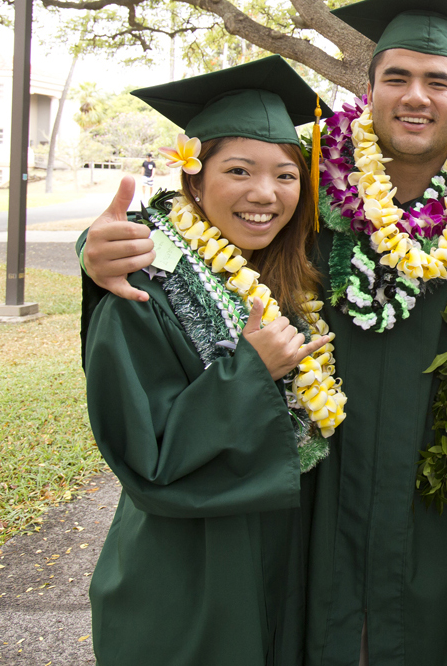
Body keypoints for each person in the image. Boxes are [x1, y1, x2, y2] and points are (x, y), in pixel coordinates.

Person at [78, 0, 447, 666]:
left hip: (431, 507)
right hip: (310, 504)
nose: (416, 95)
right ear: (370, 89)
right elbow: (203, 228)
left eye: (437, 79)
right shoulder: (314, 190)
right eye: (395, 76)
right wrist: (98, 250)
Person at [83, 56, 344, 666]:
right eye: (238, 170)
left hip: (283, 556)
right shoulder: (141, 286)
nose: (265, 194)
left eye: (286, 175)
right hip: (187, 568)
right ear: (194, 182)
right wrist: (250, 370)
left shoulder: (291, 273)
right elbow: (144, 454)